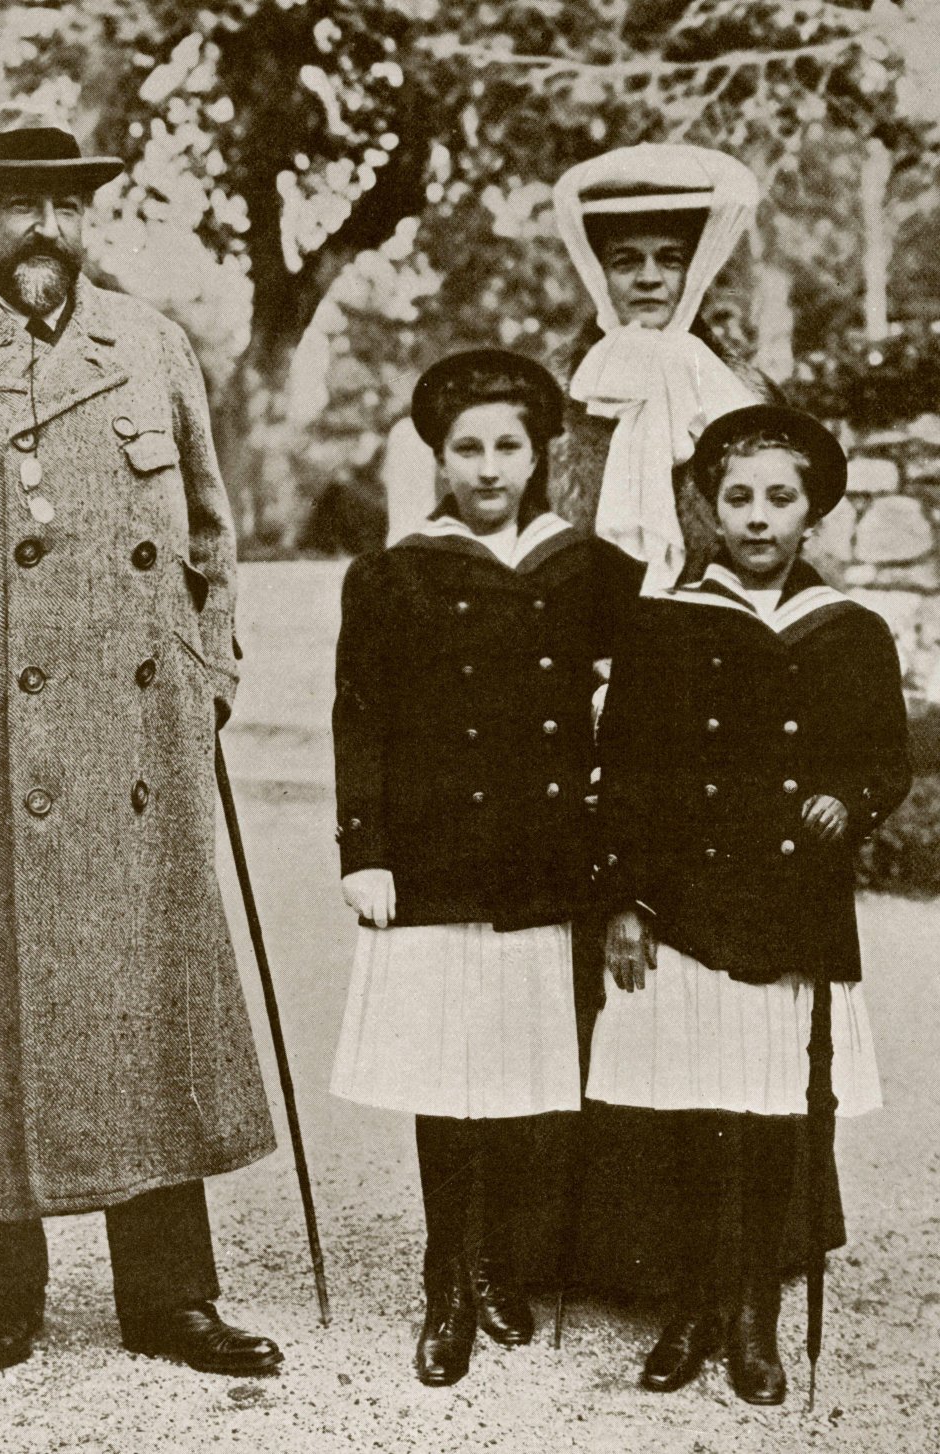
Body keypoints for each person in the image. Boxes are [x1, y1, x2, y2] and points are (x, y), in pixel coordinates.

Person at [0, 102, 283, 1378]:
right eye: (21, 204)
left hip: (135, 736)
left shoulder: (152, 344)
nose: (47, 228)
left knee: (147, 1005)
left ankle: (172, 1299)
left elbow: (208, 528)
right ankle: (6, 1293)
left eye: (68, 204)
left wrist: (206, 671)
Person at [329, 349, 643, 1386]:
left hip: (542, 857)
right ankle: (448, 1281)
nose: (490, 466)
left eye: (509, 444)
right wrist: (366, 851)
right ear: (440, 457)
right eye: (468, 447)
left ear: (541, 452)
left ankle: (503, 1264)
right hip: (435, 857)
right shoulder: (394, 574)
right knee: (445, 1074)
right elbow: (362, 717)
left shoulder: (590, 569)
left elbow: (643, 711)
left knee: (523, 1075)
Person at [590, 405, 912, 1403]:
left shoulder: (851, 630)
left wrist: (849, 799)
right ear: (710, 509)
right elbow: (624, 771)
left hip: (791, 909)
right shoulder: (666, 621)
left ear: (813, 510)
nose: (759, 516)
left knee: (774, 1115)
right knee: (694, 1113)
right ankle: (691, 1303)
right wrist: (624, 900)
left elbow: (886, 758)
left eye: (780, 497)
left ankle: (755, 1311)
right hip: (687, 908)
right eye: (738, 497)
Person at [549, 143, 775, 590]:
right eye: (626, 261)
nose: (649, 278)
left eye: (670, 260)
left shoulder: (744, 394)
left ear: (693, 271)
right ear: (599, 273)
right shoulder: (554, 392)